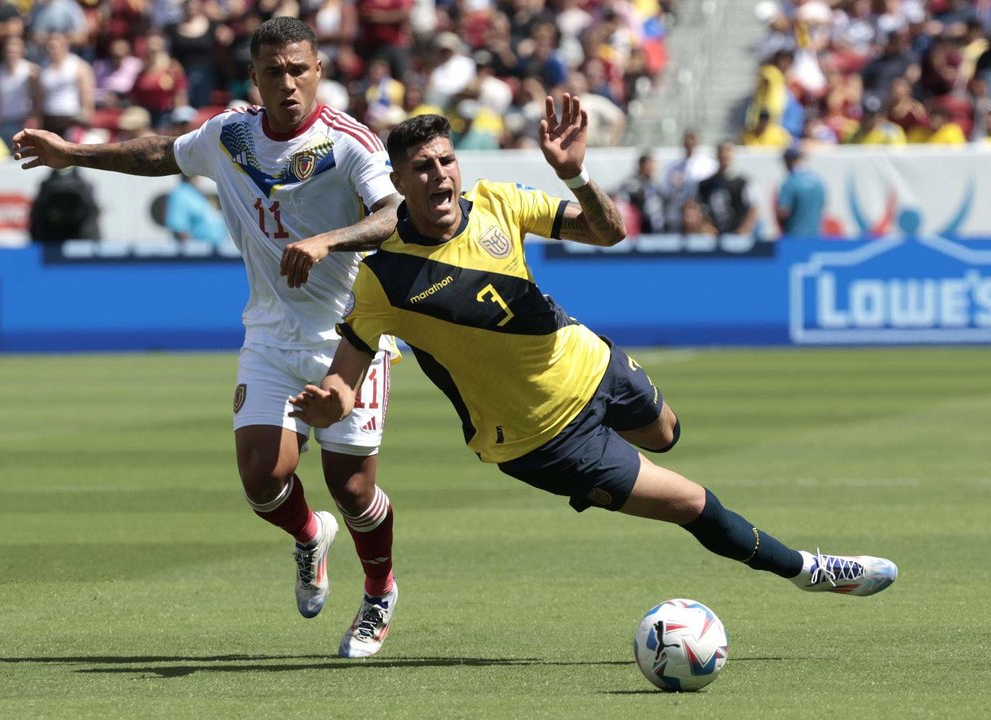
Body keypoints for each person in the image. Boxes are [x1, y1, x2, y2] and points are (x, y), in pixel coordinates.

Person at [288, 102, 897, 647]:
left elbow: (608, 232)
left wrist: (573, 173)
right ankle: (810, 570)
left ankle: (690, 476)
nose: (438, 175)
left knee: (666, 434)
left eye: (446, 161)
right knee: (690, 502)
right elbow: (346, 378)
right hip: (542, 440)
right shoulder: (383, 280)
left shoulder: (500, 202)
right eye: (421, 167)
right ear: (397, 182)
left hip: (592, 363)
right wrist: (330, 406)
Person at [13, 17, 405, 659]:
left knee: (354, 489)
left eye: (298, 69)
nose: (287, 82)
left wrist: (328, 239)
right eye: (273, 71)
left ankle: (379, 590)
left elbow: (393, 214)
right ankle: (310, 537)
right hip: (271, 332)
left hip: (350, 338)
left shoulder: (349, 143)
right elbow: (159, 153)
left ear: (318, 71)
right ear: (254, 77)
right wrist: (74, 152)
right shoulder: (230, 136)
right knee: (261, 478)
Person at [697, 142, 759, 236]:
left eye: (727, 156)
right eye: (722, 156)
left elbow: (753, 207)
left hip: (737, 234)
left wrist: (744, 229)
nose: (724, 159)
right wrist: (706, 226)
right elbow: (700, 207)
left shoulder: (741, 182)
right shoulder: (706, 184)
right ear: (717, 156)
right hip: (714, 235)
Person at [776, 145, 826, 238]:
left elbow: (783, 212)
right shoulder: (818, 181)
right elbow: (822, 205)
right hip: (815, 236)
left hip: (794, 237)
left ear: (789, 161)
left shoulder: (790, 182)